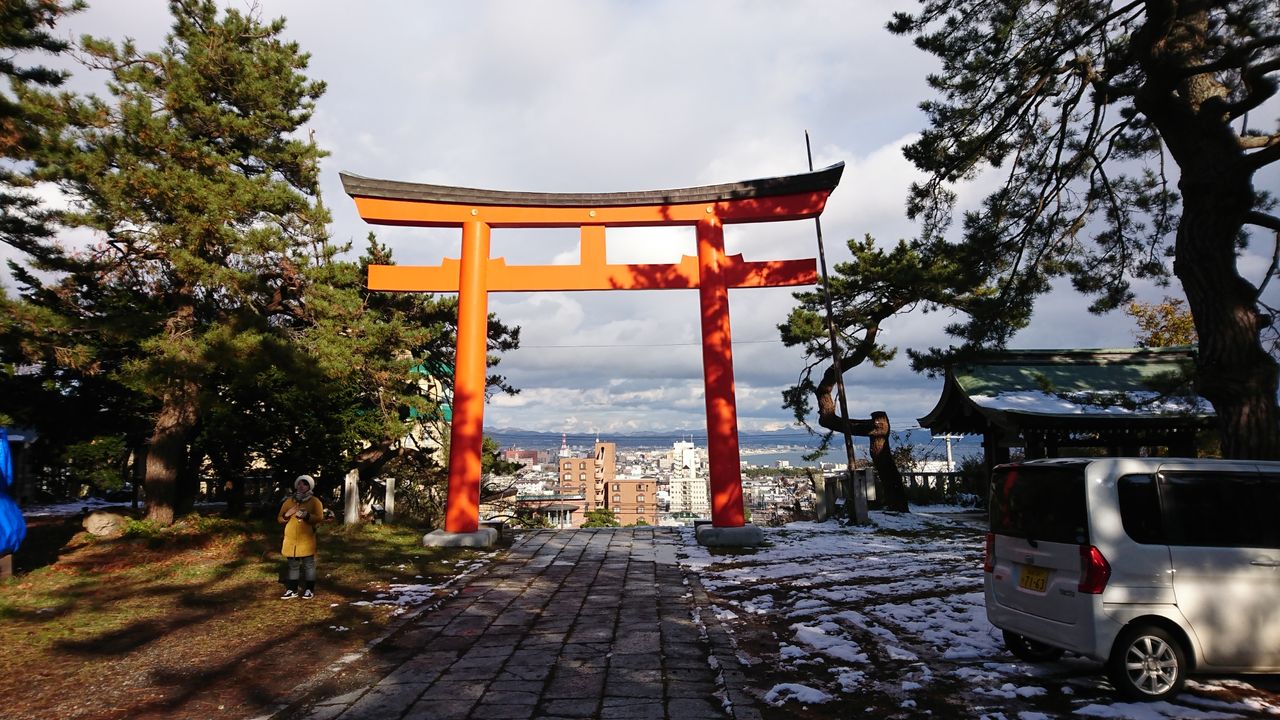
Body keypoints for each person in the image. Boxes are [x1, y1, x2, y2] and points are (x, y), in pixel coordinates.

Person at [278, 474, 324, 599]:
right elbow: (280, 519)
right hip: (291, 539)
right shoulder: (289, 501)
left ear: (309, 486)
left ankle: (309, 589)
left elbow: (320, 518)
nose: (301, 486)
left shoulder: (315, 501)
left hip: (306, 539)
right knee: (293, 565)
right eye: (299, 484)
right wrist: (287, 514)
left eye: (305, 484)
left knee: (308, 565)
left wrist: (307, 516)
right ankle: (292, 590)